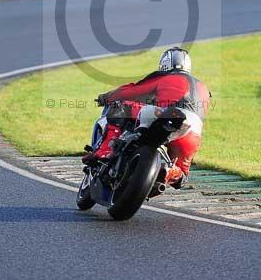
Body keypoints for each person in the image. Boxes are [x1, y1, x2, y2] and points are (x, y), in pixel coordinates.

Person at [83, 47, 211, 189]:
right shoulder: (204, 87)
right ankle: (170, 172)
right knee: (183, 172)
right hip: (192, 131)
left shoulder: (164, 76)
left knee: (119, 106)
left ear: (165, 63)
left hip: (164, 114)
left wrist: (105, 97)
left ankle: (104, 152)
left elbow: (131, 91)